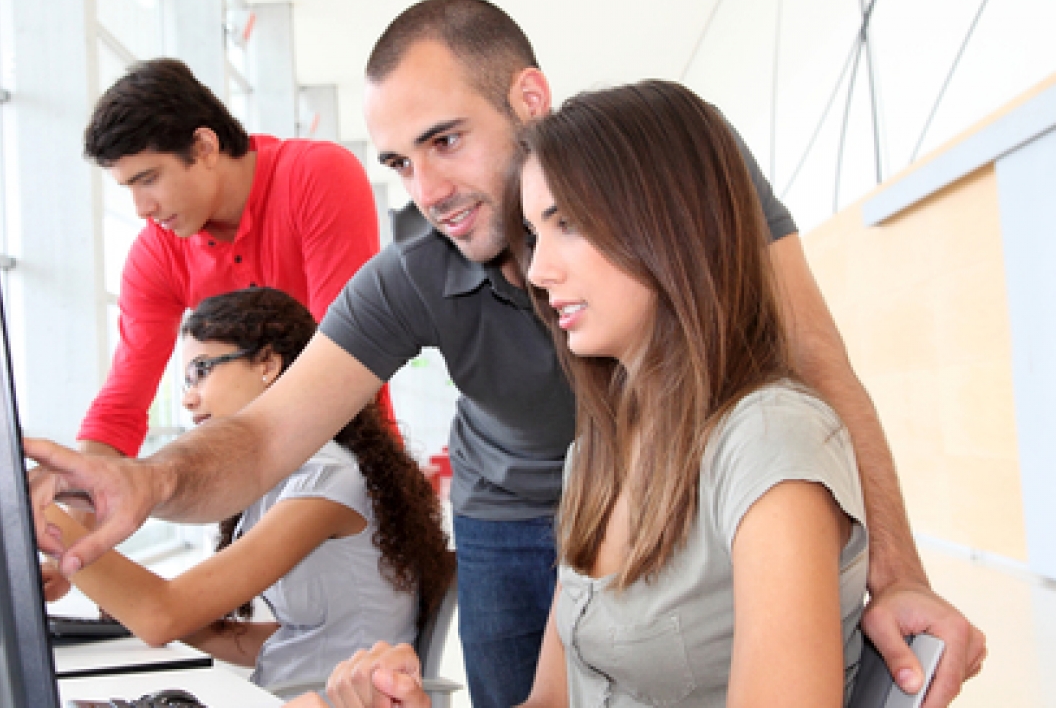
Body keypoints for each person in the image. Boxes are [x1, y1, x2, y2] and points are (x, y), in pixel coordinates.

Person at [28, 0, 984, 708]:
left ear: (528, 96)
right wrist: (143, 486)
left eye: (446, 139)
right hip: (570, 490)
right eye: (400, 162)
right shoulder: (434, 286)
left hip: (685, 474)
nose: (428, 188)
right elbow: (271, 432)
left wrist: (893, 569)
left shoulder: (762, 427)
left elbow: (816, 361)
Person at [313, 80, 871, 708]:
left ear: (676, 225)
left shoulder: (769, 441)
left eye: (569, 225)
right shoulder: (599, 450)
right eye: (534, 233)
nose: (540, 271)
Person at [41, 288, 453, 688]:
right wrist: (123, 603)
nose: (188, 399)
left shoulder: (327, 480)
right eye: (186, 382)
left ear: (268, 365)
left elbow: (159, 614)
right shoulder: (284, 480)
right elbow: (292, 642)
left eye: (201, 371)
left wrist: (41, 513)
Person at [76, 57, 383, 459]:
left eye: (148, 179)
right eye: (127, 188)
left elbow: (344, 361)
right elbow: (121, 407)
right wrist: (71, 504)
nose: (140, 208)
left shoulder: (316, 176)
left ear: (204, 147)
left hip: (350, 464)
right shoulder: (155, 253)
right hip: (251, 480)